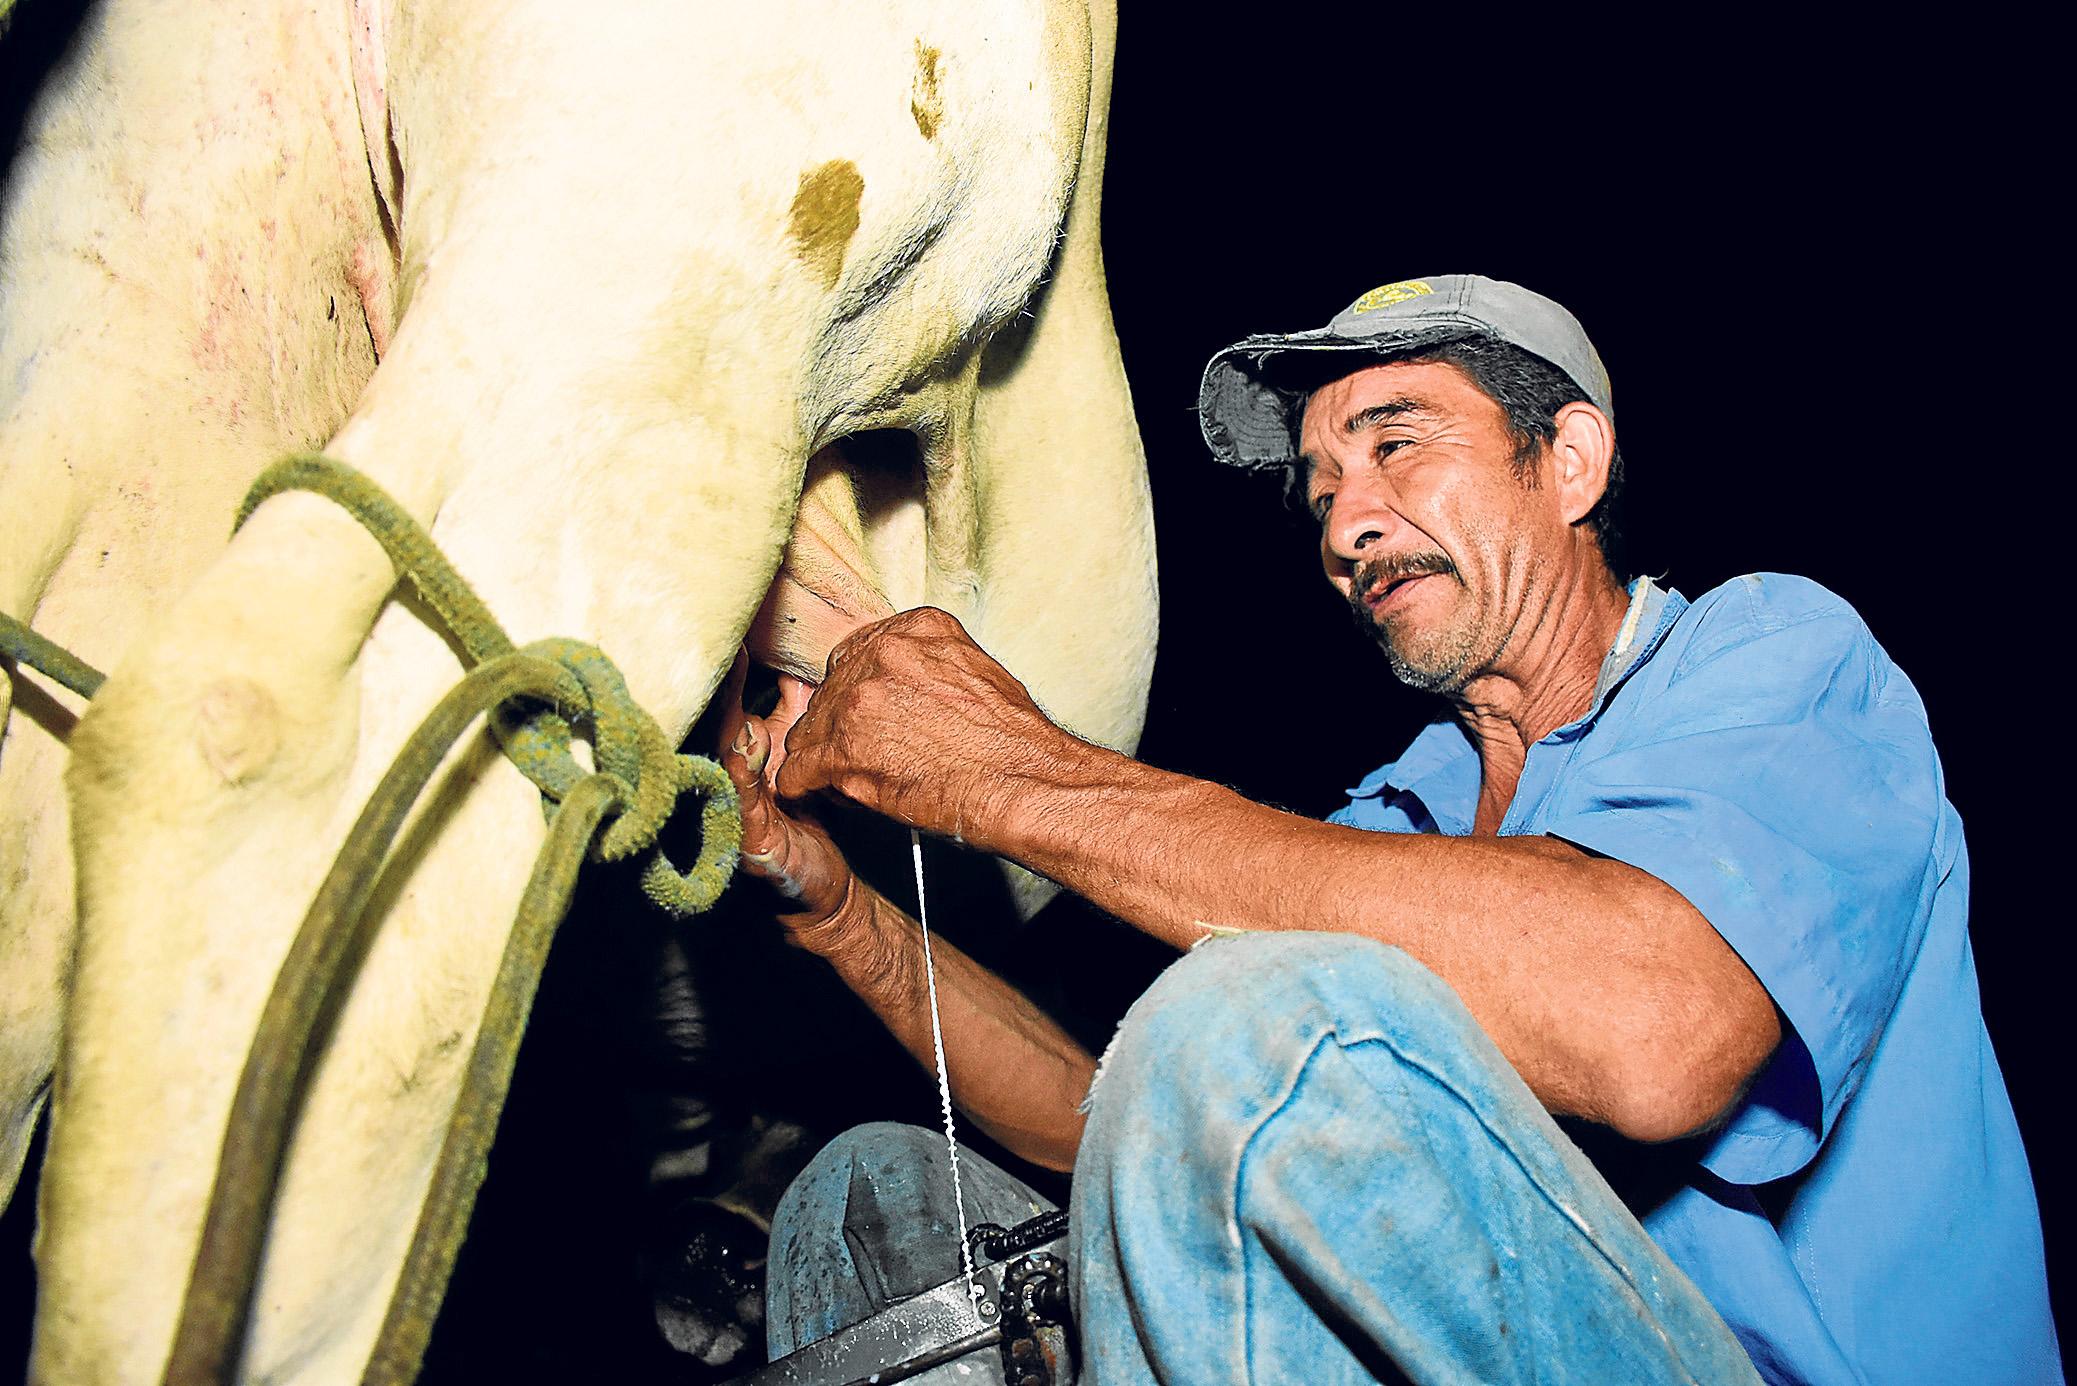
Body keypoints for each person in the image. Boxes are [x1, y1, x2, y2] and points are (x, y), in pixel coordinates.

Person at [719, 275, 2059, 1383]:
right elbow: (1124, 1120)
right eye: (1317, 490)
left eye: (1396, 442)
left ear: (1571, 460)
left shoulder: (1769, 658)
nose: (1344, 524)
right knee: (871, 1199)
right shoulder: (1397, 810)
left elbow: (1656, 1030)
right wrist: (838, 911)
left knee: (1254, 1015)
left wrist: (1014, 772)